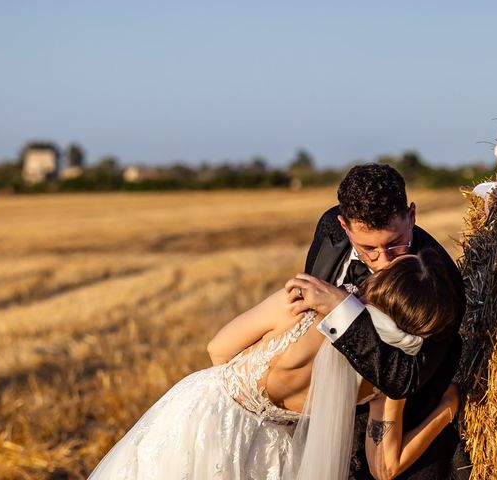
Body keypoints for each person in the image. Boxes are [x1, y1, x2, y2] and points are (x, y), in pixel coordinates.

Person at [87, 250, 459, 479]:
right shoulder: (386, 377)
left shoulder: (305, 302)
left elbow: (218, 348)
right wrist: (446, 409)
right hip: (268, 453)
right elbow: (385, 467)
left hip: (207, 417)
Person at [285, 163, 469, 478]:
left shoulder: (442, 282)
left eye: (394, 243)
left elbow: (404, 379)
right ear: (344, 225)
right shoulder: (329, 227)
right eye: (368, 248)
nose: (384, 261)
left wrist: (340, 310)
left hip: (407, 437)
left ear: (411, 216)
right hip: (333, 430)